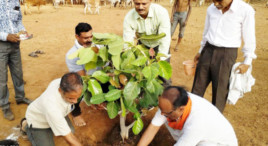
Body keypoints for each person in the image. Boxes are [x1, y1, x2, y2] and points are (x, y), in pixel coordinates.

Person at [191, 0, 256, 112]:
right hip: (208, 50)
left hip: (227, 54)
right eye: (213, 0)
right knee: (197, 88)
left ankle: (215, 125)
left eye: (219, 0)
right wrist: (201, 51)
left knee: (220, 93)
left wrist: (247, 61)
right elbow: (206, 32)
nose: (215, 4)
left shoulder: (245, 10)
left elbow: (249, 36)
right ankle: (190, 117)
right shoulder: (211, 9)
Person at [138, 86, 238, 146]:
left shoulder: (198, 122)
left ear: (181, 109)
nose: (162, 115)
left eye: (166, 113)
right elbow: (153, 128)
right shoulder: (168, 103)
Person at [66, 22, 106, 127]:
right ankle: (75, 113)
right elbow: (82, 76)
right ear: (77, 36)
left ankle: (103, 100)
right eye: (85, 38)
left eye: (91, 36)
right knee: (74, 87)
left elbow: (106, 65)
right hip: (86, 79)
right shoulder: (72, 54)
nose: (89, 40)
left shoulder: (98, 46)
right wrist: (92, 97)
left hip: (99, 76)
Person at [25, 72, 83, 146]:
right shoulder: (52, 107)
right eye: (71, 98)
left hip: (59, 113)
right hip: (39, 122)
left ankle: (55, 125)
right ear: (60, 91)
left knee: (71, 130)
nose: (75, 101)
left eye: (77, 97)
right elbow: (69, 138)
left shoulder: (66, 83)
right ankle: (26, 126)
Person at [0, 0, 32, 121]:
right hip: (1, 45)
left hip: (15, 44)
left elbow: (18, 20)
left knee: (18, 74)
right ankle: (4, 105)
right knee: (2, 79)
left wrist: (22, 30)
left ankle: (20, 97)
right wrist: (6, 36)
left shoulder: (15, 1)